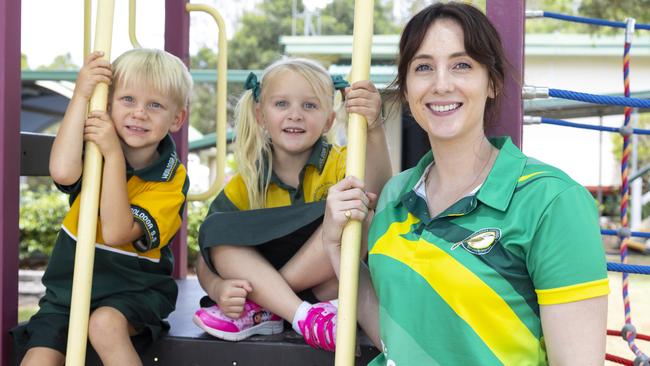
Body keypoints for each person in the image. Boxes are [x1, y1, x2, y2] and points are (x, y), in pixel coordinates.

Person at [322, 3, 609, 365]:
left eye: (462, 65)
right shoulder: (396, 195)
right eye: (423, 67)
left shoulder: (552, 201)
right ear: (407, 89)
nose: (441, 84)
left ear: (492, 82)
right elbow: (399, 337)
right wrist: (335, 247)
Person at [193, 57, 392, 351]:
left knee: (359, 212)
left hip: (323, 284)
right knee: (216, 231)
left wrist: (373, 129)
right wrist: (216, 287)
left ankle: (267, 306)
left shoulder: (339, 163)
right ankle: (298, 313)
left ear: (328, 120)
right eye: (281, 104)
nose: (295, 115)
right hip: (294, 292)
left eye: (309, 106)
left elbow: (377, 188)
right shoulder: (248, 180)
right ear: (261, 115)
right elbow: (208, 251)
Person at [12, 48, 192, 366]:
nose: (139, 113)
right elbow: (64, 171)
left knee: (104, 325)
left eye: (155, 105)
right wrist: (81, 96)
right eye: (127, 100)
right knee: (37, 361)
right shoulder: (95, 147)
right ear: (107, 105)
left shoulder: (170, 177)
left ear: (176, 118)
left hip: (135, 289)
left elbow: (116, 230)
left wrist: (113, 155)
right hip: (68, 292)